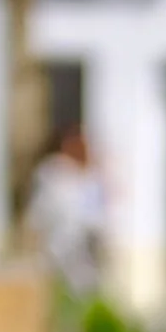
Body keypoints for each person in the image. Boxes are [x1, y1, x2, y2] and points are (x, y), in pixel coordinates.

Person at [27, 125, 106, 298]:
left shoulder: (89, 176)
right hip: (59, 243)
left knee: (84, 288)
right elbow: (41, 211)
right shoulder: (53, 172)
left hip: (83, 245)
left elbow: (96, 212)